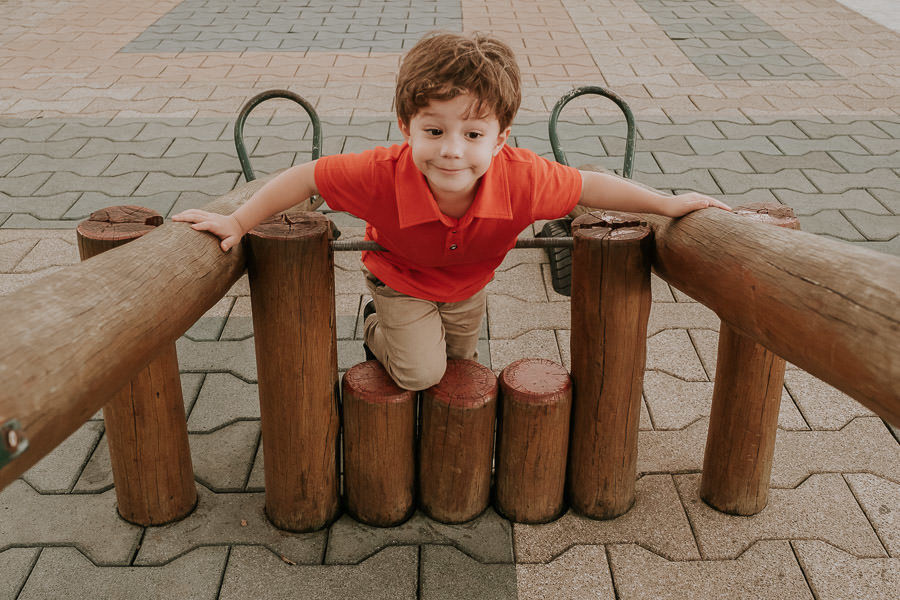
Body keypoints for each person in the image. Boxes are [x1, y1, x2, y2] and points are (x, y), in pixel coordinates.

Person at [173, 32, 730, 391]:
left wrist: (664, 204)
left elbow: (592, 185)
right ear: (406, 128)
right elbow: (305, 177)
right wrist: (237, 221)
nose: (452, 150)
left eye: (473, 133)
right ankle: (373, 326)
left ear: (501, 137)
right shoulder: (380, 174)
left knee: (460, 368)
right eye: (434, 131)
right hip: (402, 280)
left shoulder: (523, 176)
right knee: (420, 374)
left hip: (469, 286)